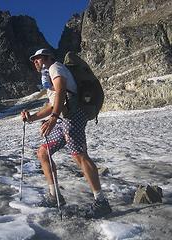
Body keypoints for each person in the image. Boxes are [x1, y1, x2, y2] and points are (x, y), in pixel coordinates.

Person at [21, 48, 112, 218]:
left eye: (38, 58)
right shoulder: (48, 77)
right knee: (43, 152)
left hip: (73, 116)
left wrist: (54, 118)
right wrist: (31, 118)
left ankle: (101, 202)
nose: (35, 61)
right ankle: (55, 195)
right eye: (33, 59)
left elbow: (62, 92)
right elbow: (51, 104)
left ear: (47, 58)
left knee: (79, 155)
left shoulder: (55, 67)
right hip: (64, 119)